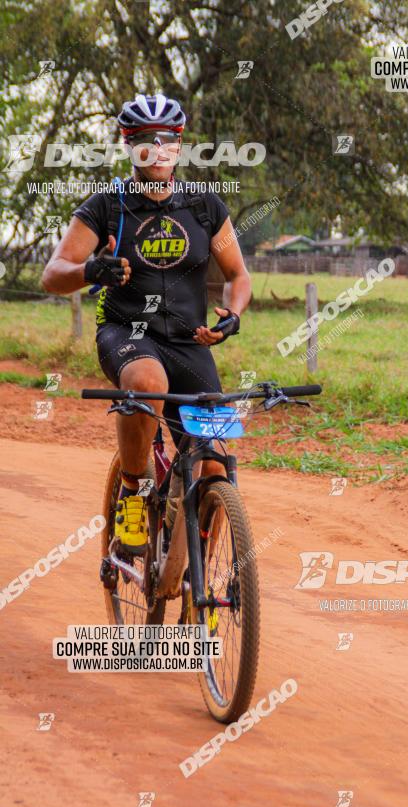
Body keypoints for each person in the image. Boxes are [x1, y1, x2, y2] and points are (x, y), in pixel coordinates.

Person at [42, 93, 251, 554]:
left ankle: (196, 579)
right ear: (128, 145)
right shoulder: (106, 206)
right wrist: (91, 270)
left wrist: (233, 316)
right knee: (147, 381)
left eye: (166, 140)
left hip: (188, 341)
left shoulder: (204, 206)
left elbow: (238, 275)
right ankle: (134, 494)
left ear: (179, 146)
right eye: (143, 141)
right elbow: (52, 275)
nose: (156, 150)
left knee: (214, 467)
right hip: (126, 334)